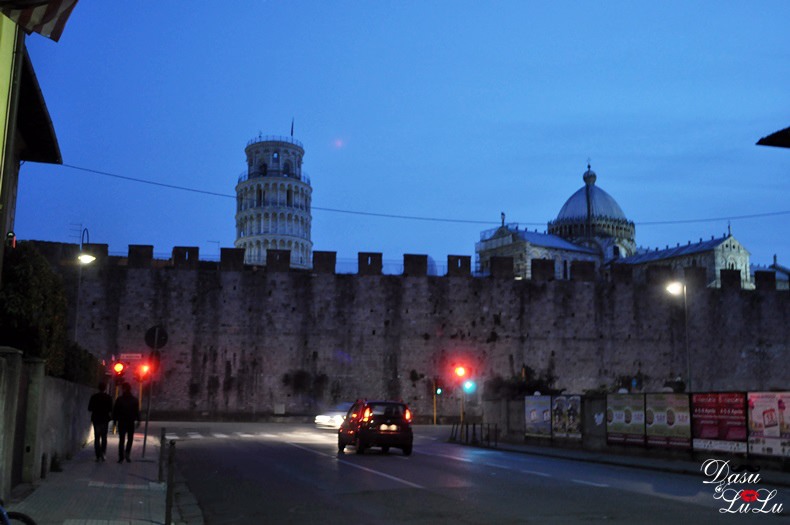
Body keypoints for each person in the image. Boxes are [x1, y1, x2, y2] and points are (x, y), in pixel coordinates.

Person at [112, 382, 140, 463]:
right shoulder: (134, 400)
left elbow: (115, 411)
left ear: (123, 389)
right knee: (130, 439)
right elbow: (137, 411)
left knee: (122, 439)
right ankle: (127, 453)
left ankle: (121, 457)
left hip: (122, 421)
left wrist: (114, 421)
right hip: (130, 421)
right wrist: (138, 420)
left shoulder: (119, 399)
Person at [87, 382, 113, 462]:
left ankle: (97, 455)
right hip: (104, 419)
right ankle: (103, 453)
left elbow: (89, 408)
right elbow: (111, 409)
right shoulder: (108, 397)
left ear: (98, 388)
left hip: (96, 419)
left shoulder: (94, 397)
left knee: (97, 437)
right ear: (105, 388)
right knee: (104, 437)